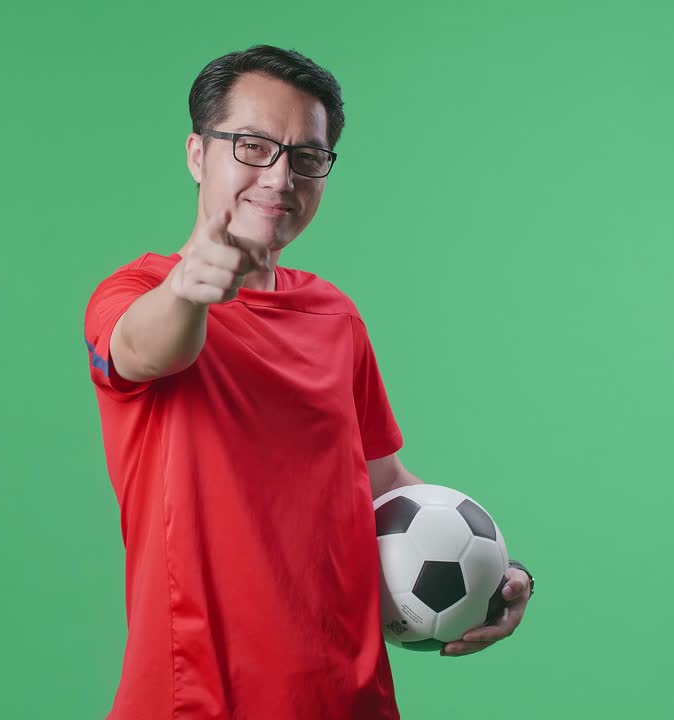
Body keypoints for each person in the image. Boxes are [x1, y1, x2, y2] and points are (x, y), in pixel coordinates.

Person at [83, 45, 534, 720]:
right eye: (253, 146)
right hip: (198, 702)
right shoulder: (138, 293)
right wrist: (190, 288)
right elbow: (145, 351)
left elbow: (382, 486)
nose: (280, 176)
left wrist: (493, 573)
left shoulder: (334, 315)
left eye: (307, 157)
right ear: (198, 155)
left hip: (351, 700)